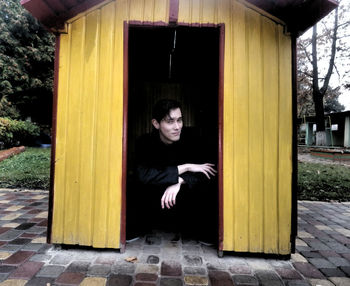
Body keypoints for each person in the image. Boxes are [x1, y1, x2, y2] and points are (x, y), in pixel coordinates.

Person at [129, 99, 217, 242]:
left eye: (180, 120)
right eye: (170, 121)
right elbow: (143, 175)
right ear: (156, 124)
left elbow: (209, 169)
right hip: (155, 204)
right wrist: (186, 167)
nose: (177, 127)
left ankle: (203, 232)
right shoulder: (145, 142)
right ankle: (135, 229)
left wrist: (180, 181)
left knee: (208, 184)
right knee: (132, 184)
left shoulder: (193, 138)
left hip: (185, 205)